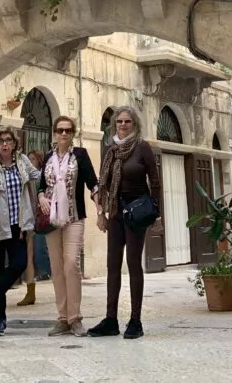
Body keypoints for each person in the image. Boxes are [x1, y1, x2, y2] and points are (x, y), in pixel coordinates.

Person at [88, 106, 160, 340]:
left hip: (136, 213)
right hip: (116, 212)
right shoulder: (111, 151)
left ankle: (136, 320)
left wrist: (156, 215)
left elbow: (155, 182)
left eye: (127, 121)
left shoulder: (142, 147)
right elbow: (103, 183)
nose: (123, 124)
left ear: (135, 124)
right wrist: (101, 213)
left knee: (133, 264)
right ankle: (111, 320)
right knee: (112, 265)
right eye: (119, 121)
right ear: (114, 124)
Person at [37, 116, 98, 337]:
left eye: (68, 130)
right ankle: (62, 318)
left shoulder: (80, 155)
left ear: (73, 134)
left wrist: (99, 201)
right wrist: (41, 196)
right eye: (60, 130)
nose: (64, 134)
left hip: (74, 216)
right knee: (56, 267)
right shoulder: (47, 157)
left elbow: (92, 181)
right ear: (54, 133)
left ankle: (75, 318)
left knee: (71, 263)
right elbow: (41, 185)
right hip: (51, 218)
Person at [0, 127, 41, 336]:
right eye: (1, 141)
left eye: (9, 141)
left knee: (19, 263)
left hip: (18, 225)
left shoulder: (22, 162)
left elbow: (39, 175)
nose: (5, 144)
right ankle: (0, 321)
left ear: (14, 144)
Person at [17, 150, 46, 307]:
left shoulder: (37, 178)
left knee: (30, 256)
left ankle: (30, 292)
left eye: (33, 159)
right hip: (30, 221)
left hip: (35, 221)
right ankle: (30, 291)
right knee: (28, 256)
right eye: (29, 158)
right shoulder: (28, 177)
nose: (30, 161)